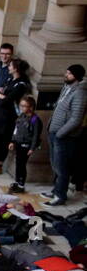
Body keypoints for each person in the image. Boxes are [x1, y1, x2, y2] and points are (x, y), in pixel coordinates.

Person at [46, 64, 85, 205]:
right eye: (66, 72)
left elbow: (76, 119)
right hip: (54, 132)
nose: (66, 75)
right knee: (55, 164)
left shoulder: (80, 93)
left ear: (76, 76)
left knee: (62, 167)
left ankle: (60, 195)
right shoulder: (66, 88)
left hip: (64, 136)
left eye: (69, 73)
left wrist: (60, 133)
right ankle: (55, 190)